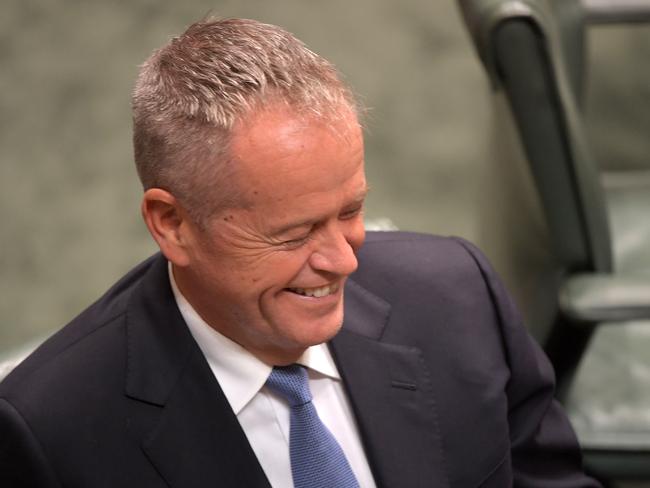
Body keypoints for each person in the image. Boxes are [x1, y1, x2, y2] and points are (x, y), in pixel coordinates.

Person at [0, 17, 599, 488]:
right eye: (294, 233)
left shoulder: (459, 297)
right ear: (171, 223)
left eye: (351, 212)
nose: (343, 260)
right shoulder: (51, 433)